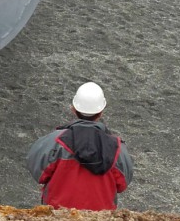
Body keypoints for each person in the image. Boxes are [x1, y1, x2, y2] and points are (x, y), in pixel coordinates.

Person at [26, 82, 133, 210]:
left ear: (74, 109)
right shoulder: (117, 148)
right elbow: (122, 184)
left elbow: (38, 172)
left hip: (57, 217)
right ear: (101, 112)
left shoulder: (54, 141)